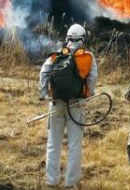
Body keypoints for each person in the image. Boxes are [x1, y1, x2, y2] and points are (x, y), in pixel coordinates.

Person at [39, 24, 98, 188]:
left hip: (56, 104)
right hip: (76, 105)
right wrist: (86, 95)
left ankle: (51, 181)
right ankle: (70, 183)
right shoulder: (88, 57)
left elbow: (43, 73)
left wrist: (45, 95)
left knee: (53, 143)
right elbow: (92, 79)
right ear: (83, 38)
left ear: (67, 38)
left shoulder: (56, 55)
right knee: (74, 145)